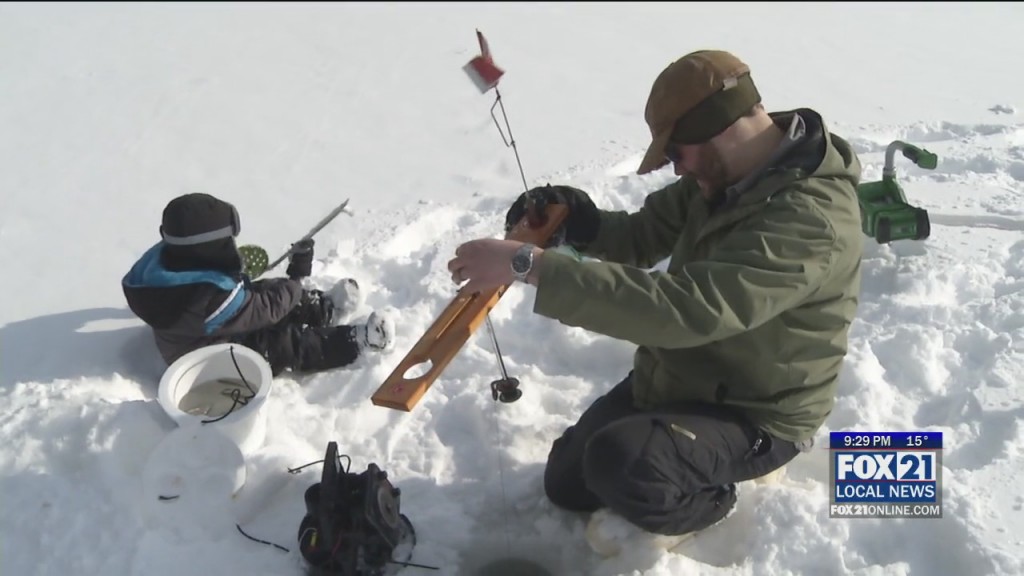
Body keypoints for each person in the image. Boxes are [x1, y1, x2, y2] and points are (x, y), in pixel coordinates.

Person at [446, 49, 864, 547]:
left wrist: (527, 265)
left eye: (676, 155)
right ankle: (665, 455)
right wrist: (582, 221)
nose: (677, 171)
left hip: (756, 410)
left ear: (717, 130)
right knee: (567, 480)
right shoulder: (727, 171)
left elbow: (688, 309)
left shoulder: (809, 219)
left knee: (623, 466)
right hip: (682, 378)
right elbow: (645, 233)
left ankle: (716, 498)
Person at [122, 192, 393, 377]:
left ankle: (323, 309)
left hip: (199, 330)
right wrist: (297, 275)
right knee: (281, 343)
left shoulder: (166, 262)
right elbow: (267, 310)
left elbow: (240, 295)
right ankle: (354, 341)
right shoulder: (208, 299)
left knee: (262, 290)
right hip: (206, 362)